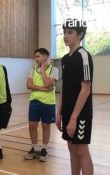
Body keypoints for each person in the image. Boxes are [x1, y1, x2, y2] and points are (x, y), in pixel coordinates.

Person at [56, 19, 94, 175]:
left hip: (80, 114)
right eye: (64, 32)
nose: (65, 36)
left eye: (70, 32)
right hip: (67, 111)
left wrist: (73, 118)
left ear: (80, 35)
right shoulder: (65, 59)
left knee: (81, 150)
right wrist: (59, 113)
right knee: (71, 147)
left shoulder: (84, 56)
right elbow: (64, 89)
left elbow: (85, 89)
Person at [24, 48, 58, 162]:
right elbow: (29, 85)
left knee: (45, 126)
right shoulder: (33, 69)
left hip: (48, 103)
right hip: (34, 101)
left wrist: (43, 71)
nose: (36, 58)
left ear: (45, 57)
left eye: (38, 56)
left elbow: (48, 82)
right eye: (35, 56)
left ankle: (44, 148)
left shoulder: (54, 69)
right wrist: (44, 89)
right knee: (32, 125)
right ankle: (34, 147)